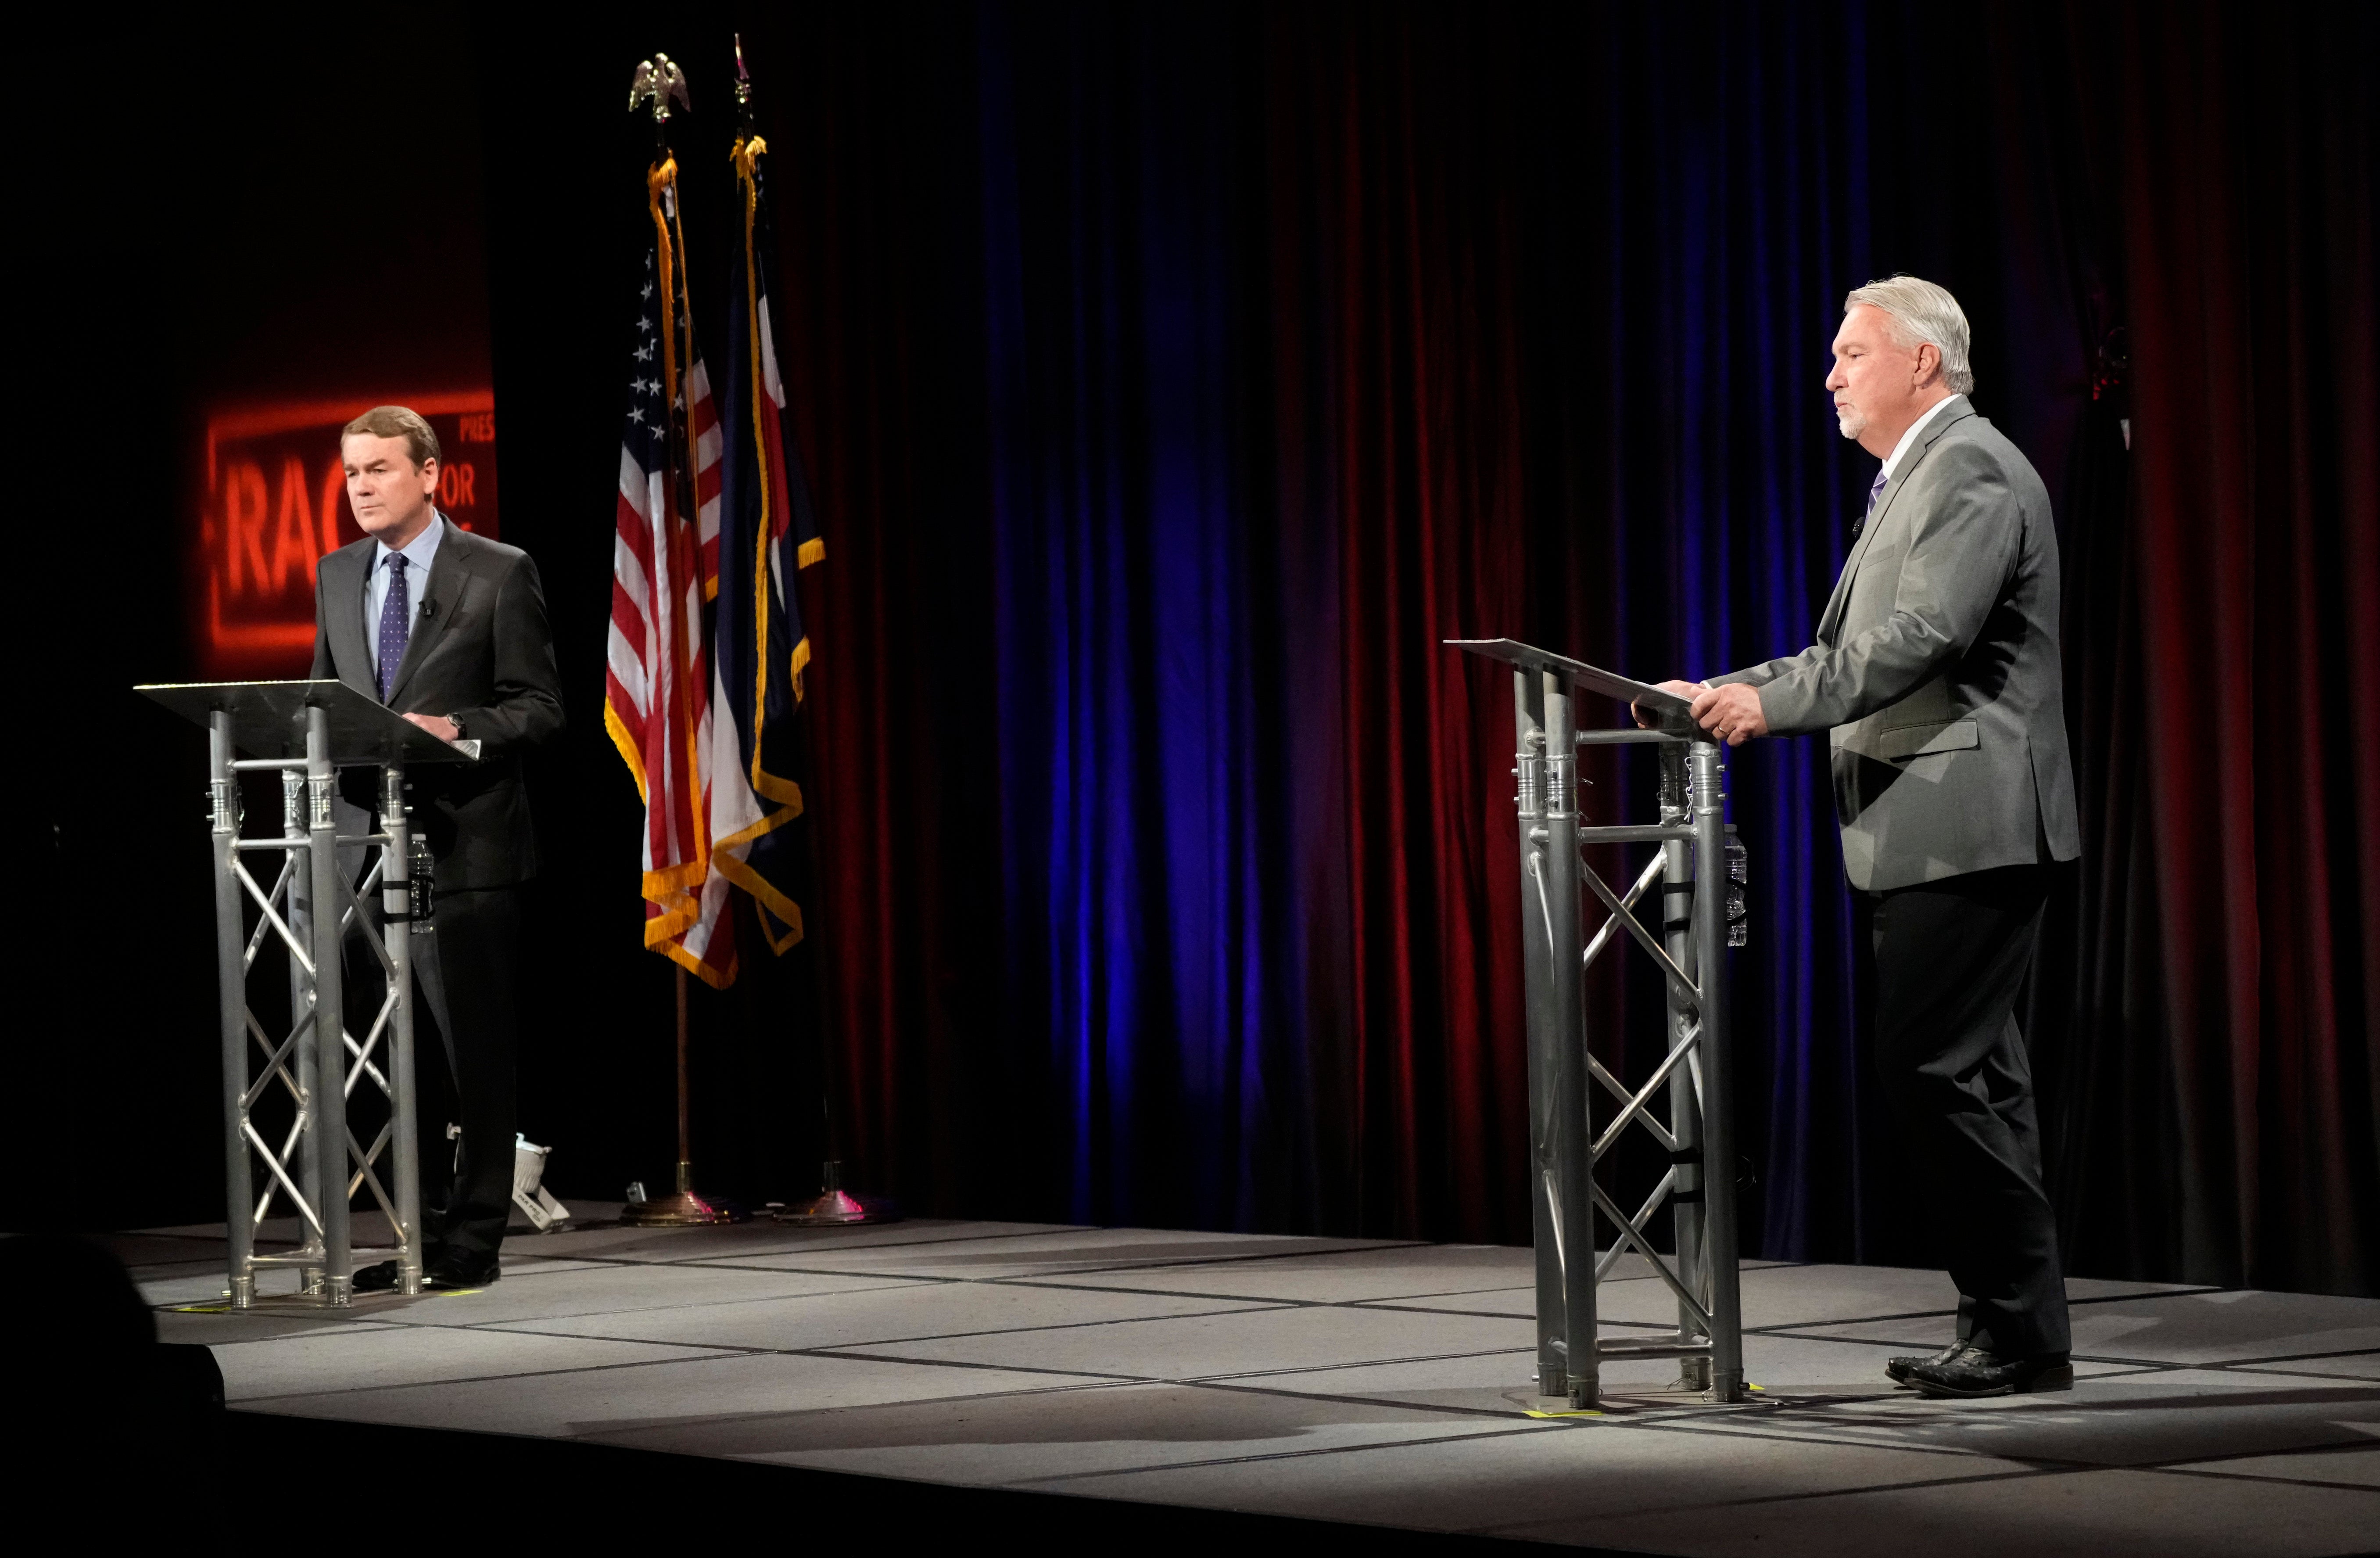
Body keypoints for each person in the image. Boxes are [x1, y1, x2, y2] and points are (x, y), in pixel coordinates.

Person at [1643, 276, 2081, 1399]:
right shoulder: (1916, 479)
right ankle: (2020, 1330)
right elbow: (1859, 644)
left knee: (1928, 1067)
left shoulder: (1969, 466)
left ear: (1923, 364)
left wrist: (1768, 707)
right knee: (1974, 1080)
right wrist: (1726, 688)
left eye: (1851, 353)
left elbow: (1923, 637)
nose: (1831, 374)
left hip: (1971, 826)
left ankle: (2015, 1327)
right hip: (1936, 829)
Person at [310, 405, 564, 1289]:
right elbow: (322, 698)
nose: (362, 487)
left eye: (379, 469)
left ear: (430, 474)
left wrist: (452, 725)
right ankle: (408, 1231)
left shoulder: (498, 572)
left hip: (464, 850)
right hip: (357, 849)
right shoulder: (337, 575)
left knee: (474, 1056)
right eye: (351, 473)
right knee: (377, 1052)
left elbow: (539, 707)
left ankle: (474, 1238)